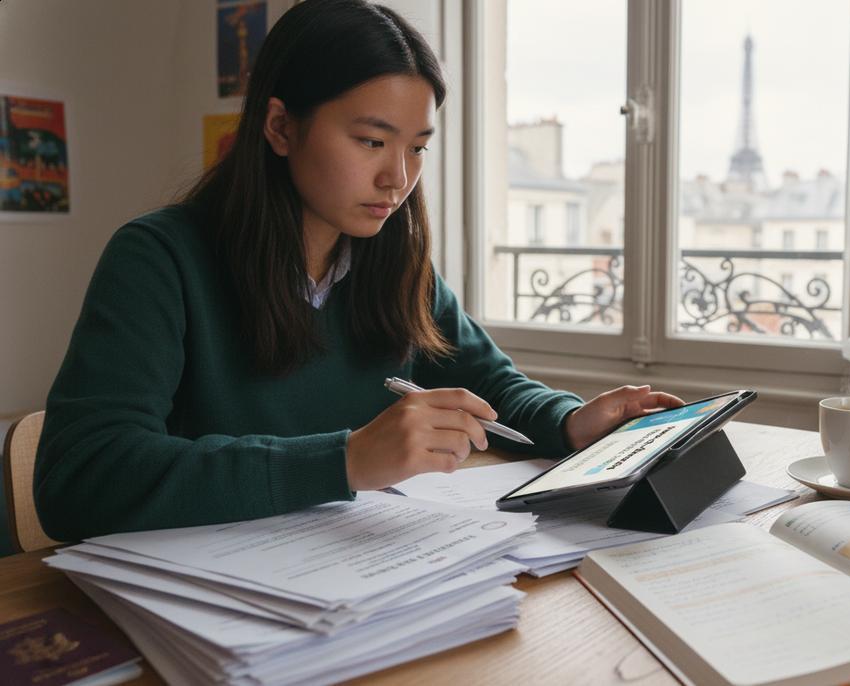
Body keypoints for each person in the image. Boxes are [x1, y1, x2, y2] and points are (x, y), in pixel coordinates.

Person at [34, 0, 682, 541]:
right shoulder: (160, 259)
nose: (397, 179)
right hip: (204, 603)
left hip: (351, 583)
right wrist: (345, 459)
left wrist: (571, 421)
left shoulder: (391, 262)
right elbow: (81, 478)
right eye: (372, 142)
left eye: (417, 148)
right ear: (281, 127)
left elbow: (492, 388)